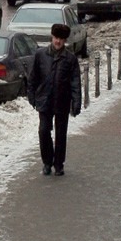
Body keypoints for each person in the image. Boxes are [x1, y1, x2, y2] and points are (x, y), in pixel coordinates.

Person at [27, 23, 81, 176]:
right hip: (44, 99)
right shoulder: (40, 55)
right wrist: (32, 95)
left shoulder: (70, 59)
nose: (58, 41)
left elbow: (75, 82)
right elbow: (33, 77)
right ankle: (47, 162)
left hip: (62, 101)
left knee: (61, 134)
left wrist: (76, 102)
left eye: (61, 39)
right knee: (43, 131)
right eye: (56, 38)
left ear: (65, 41)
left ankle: (59, 164)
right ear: (52, 37)